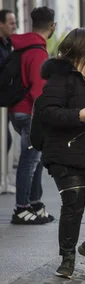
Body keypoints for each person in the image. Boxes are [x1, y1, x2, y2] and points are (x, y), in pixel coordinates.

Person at [37, 28, 85, 278]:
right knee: (74, 201)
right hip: (64, 152)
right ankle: (67, 257)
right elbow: (47, 112)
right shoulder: (60, 77)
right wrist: (76, 116)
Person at [9, 7, 56, 225]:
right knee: (30, 160)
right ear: (52, 26)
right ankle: (22, 208)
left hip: (19, 110)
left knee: (35, 160)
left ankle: (34, 203)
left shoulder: (25, 47)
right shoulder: (38, 52)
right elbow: (39, 90)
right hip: (30, 112)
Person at [0, 9, 17, 171]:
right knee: (4, 140)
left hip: (5, 99)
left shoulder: (8, 43)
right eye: (11, 23)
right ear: (1, 24)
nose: (15, 26)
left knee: (5, 139)